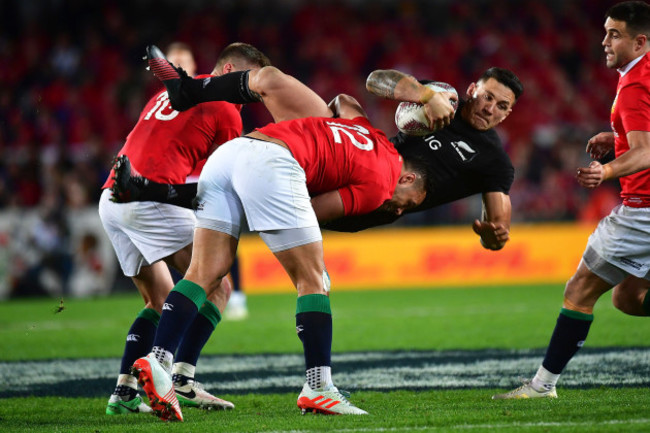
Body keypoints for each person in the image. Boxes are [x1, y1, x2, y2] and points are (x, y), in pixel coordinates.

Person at [130, 45, 455, 421]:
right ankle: (319, 387)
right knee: (313, 278)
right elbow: (314, 211)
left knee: (204, 273)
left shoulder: (364, 129)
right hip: (274, 162)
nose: (399, 209)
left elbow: (346, 99)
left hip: (232, 154)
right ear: (409, 176)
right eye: (408, 201)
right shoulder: (382, 186)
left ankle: (158, 360)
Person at [112, 66, 522, 250]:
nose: (490, 108)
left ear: (508, 113)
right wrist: (424, 94)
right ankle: (189, 93)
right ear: (472, 89)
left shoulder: (494, 161)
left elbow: (499, 222)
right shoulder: (439, 98)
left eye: (502, 106)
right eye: (487, 96)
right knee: (273, 80)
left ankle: (162, 192)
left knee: (258, 201)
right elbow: (374, 81)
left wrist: (493, 235)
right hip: (361, 150)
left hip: (375, 195)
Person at [99, 42, 271, 415]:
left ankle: (125, 392)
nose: (253, 92)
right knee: (217, 284)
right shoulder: (227, 107)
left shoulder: (168, 93)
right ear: (230, 73)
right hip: (149, 199)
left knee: (160, 302)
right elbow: (224, 180)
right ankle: (180, 379)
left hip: (112, 197)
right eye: (252, 82)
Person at [493, 1, 650, 400]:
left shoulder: (634, 84)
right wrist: (614, 140)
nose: (604, 41)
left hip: (643, 210)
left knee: (579, 290)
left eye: (614, 33)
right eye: (605, 31)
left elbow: (646, 150)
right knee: (629, 298)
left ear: (640, 41)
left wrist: (608, 170)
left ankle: (542, 386)